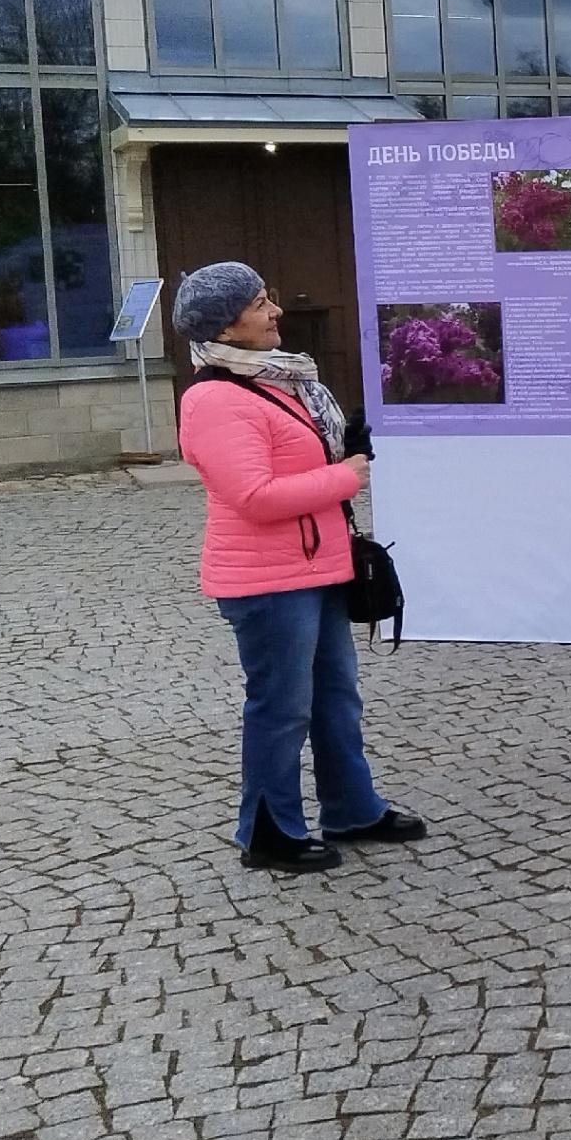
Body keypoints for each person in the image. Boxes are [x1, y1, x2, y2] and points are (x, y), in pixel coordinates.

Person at [172, 262, 427, 875]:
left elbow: (291, 464)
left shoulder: (279, 382)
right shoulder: (212, 399)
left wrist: (345, 447)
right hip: (267, 581)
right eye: (261, 303)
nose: (276, 311)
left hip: (317, 568)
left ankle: (351, 808)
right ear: (227, 327)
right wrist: (346, 476)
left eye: (270, 297)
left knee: (337, 698)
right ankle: (267, 830)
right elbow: (253, 495)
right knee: (281, 706)